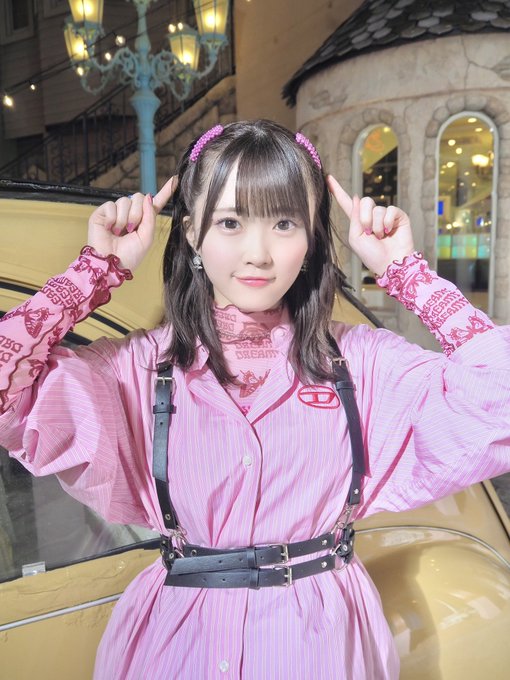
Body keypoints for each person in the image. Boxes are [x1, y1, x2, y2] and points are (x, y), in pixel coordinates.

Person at [0, 119, 509, 680]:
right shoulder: (138, 371)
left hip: (317, 649)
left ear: (311, 238)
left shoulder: (360, 365)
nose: (258, 253)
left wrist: (406, 273)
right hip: (178, 649)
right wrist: (94, 272)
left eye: (284, 223)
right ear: (191, 233)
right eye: (230, 222)